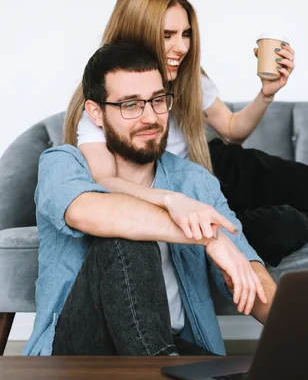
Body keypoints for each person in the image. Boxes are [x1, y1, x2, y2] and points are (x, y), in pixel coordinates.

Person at [64, 0, 308, 266]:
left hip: (216, 167)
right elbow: (103, 182)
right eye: (167, 35)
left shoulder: (188, 80)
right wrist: (174, 200)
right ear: (137, 33)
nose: (182, 47)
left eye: (186, 34)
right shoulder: (106, 98)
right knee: (282, 229)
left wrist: (266, 94)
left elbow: (233, 131)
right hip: (183, 197)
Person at [24, 42, 276, 357]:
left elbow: (247, 269)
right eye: (130, 105)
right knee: (126, 239)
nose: (150, 117)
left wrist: (303, 332)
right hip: (80, 354)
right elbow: (86, 212)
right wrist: (207, 238)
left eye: (158, 100)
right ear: (95, 113)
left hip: (167, 344)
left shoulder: (193, 182)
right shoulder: (63, 164)